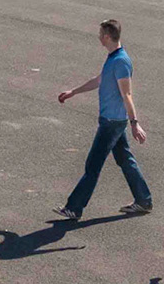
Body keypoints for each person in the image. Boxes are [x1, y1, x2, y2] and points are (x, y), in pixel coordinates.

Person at [52, 19, 153, 221]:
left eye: (100, 34)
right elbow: (99, 80)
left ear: (107, 36)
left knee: (93, 165)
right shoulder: (113, 59)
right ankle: (143, 200)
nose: (98, 37)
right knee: (125, 160)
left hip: (112, 123)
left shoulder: (121, 61)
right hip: (112, 121)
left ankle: (74, 207)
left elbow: (127, 95)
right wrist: (74, 92)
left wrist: (134, 123)